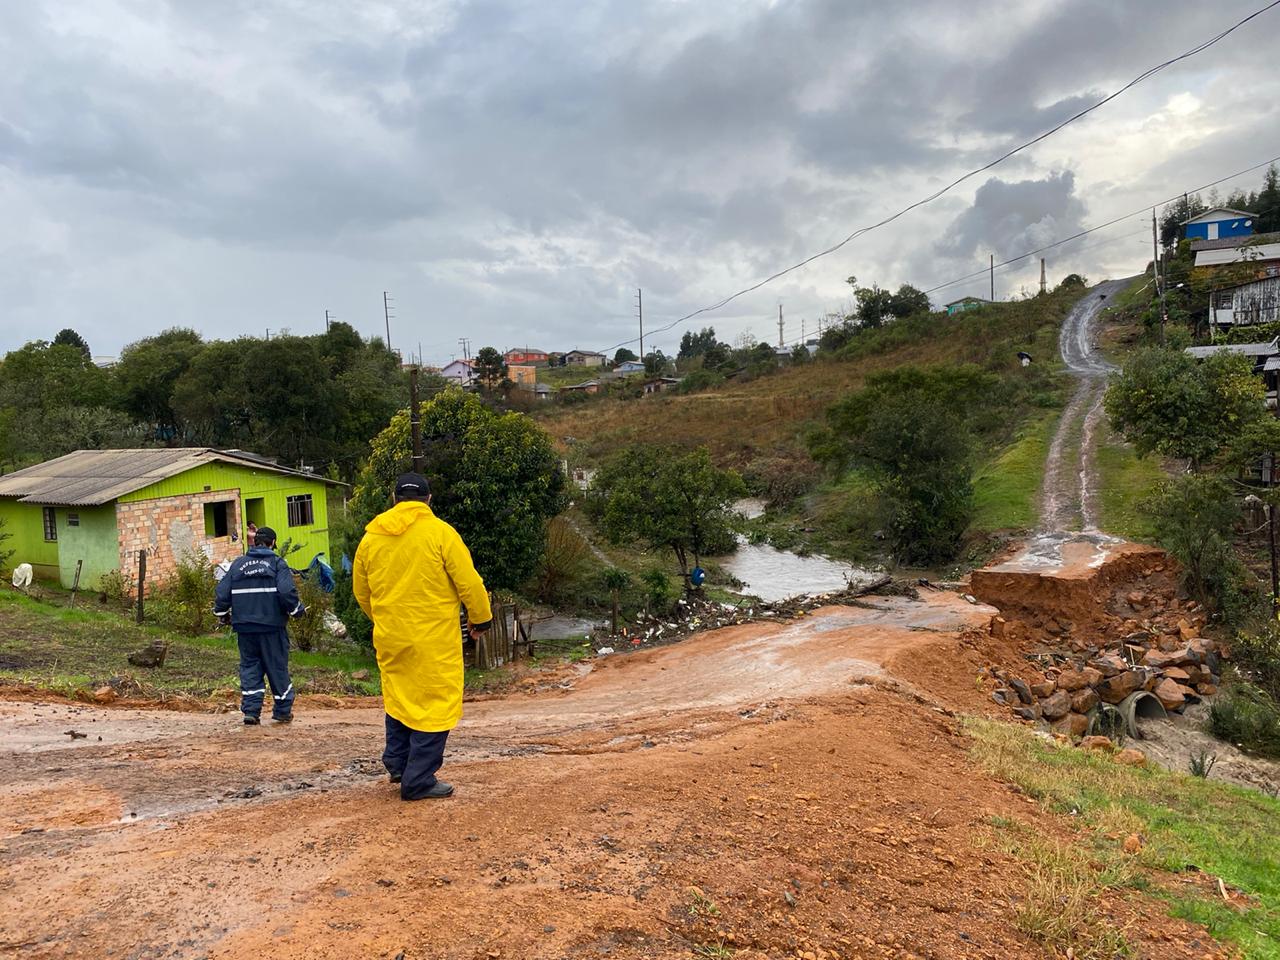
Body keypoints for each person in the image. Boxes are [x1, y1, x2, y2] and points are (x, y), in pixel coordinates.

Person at [352, 472, 492, 801]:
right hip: (432, 638)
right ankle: (418, 780)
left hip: (391, 636)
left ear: (394, 498)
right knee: (435, 703)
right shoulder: (441, 534)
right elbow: (469, 583)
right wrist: (481, 620)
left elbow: (361, 591)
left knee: (400, 697)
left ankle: (398, 764)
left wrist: (384, 619)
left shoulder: (371, 538)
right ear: (428, 500)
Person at [214, 526, 306, 726]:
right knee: (277, 667)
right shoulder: (277, 563)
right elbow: (286, 590)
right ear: (273, 543)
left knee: (250, 668)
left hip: (245, 628)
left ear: (254, 542)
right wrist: (297, 610)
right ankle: (282, 712)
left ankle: (251, 712)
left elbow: (222, 593)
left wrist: (222, 615)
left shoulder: (238, 565)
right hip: (272, 627)